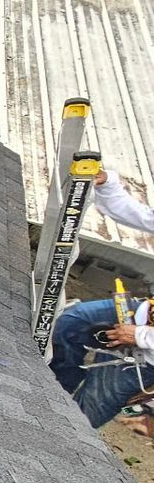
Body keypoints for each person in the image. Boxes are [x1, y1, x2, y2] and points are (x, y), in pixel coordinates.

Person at [50, 168, 154, 427]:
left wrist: (140, 336)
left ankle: (57, 439)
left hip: (145, 356)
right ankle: (50, 395)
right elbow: (135, 214)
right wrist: (107, 184)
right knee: (69, 324)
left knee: (82, 419)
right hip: (138, 315)